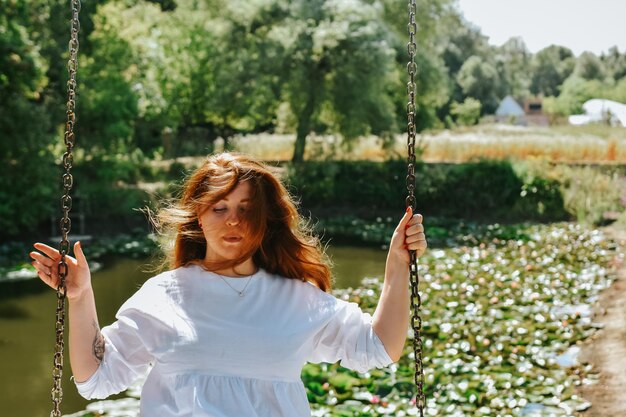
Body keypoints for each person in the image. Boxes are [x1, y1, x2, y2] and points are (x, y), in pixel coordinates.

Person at [30, 152, 427, 417]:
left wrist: (397, 262)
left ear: (265, 219)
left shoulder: (298, 298)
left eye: (246, 209)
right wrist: (81, 297)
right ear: (198, 219)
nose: (233, 221)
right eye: (219, 208)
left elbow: (380, 347)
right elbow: (96, 378)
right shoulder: (165, 295)